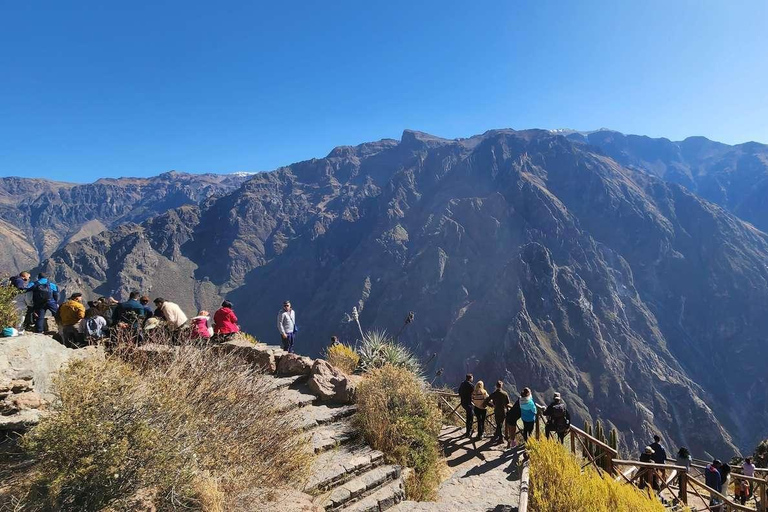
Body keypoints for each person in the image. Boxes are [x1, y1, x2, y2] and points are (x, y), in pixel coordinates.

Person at [457, 374, 474, 438]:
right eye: (472, 378)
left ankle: (468, 431)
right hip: (468, 403)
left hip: (463, 402)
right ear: (470, 378)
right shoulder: (471, 385)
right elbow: (474, 394)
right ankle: (468, 431)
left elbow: (459, 392)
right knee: (470, 417)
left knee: (468, 416)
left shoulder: (462, 383)